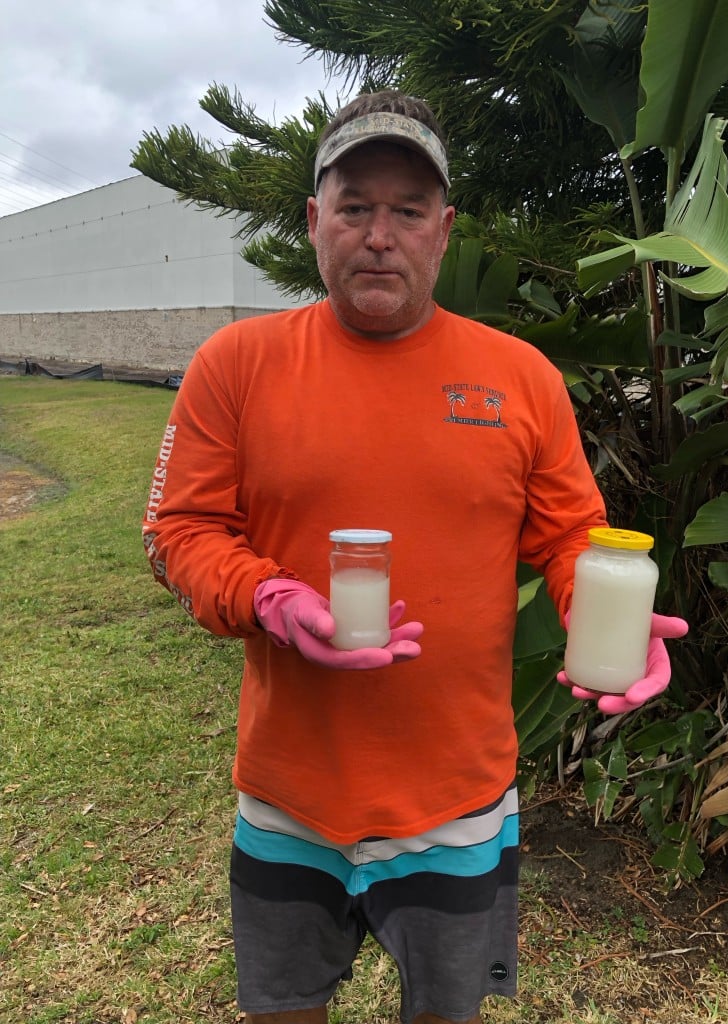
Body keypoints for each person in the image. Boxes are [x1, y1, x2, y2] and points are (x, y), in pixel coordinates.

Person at [142, 89, 688, 1024]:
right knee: (283, 1009)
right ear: (316, 222)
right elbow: (178, 535)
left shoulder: (520, 377)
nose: (379, 234)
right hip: (288, 793)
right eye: (355, 206)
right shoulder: (234, 364)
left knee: (445, 1011)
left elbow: (569, 538)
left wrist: (609, 614)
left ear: (444, 229)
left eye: (407, 209)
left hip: (456, 798)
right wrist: (270, 598)